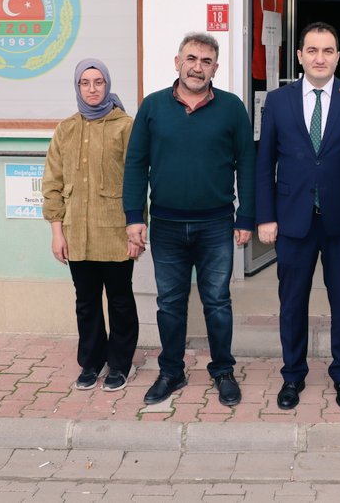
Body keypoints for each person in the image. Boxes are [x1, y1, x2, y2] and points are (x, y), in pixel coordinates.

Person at [256, 21, 340, 410]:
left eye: (328, 51)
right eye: (312, 50)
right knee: (292, 301)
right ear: (299, 56)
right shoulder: (278, 102)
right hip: (292, 220)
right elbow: (264, 163)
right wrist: (265, 216)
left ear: (338, 57)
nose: (320, 58)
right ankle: (292, 376)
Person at [123, 32, 254, 407]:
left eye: (206, 61)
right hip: (165, 225)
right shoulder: (152, 107)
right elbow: (135, 164)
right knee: (170, 303)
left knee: (217, 301)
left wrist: (245, 216)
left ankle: (223, 371)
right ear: (177, 61)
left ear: (216, 67)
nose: (198, 67)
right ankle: (171, 372)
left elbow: (246, 163)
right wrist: (135, 217)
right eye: (192, 59)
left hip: (216, 225)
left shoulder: (231, 108)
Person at [42, 58, 140, 392]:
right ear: (77, 87)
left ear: (108, 84)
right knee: (85, 301)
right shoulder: (66, 129)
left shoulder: (125, 125)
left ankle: (120, 363)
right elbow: (52, 183)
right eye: (85, 83)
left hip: (114, 233)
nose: (93, 88)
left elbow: (138, 182)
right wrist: (57, 233)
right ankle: (92, 361)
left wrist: (136, 229)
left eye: (98, 82)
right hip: (76, 234)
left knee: (120, 300)